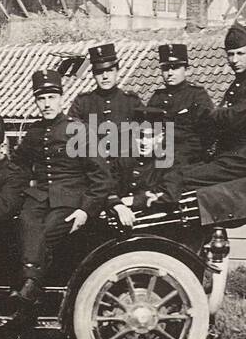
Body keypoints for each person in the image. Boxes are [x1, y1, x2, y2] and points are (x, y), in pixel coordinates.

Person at [11, 68, 112, 307]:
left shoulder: (76, 129)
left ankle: (30, 286)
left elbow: (102, 177)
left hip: (70, 199)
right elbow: (18, 164)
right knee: (25, 223)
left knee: (46, 232)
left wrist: (86, 210)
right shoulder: (34, 132)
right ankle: (29, 284)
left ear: (61, 98)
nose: (47, 104)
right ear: (36, 101)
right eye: (41, 98)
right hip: (39, 197)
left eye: (51, 97)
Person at [162, 22, 246, 196]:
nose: (234, 60)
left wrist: (199, 111)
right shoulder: (240, 82)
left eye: (240, 53)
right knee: (176, 171)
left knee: (181, 178)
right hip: (232, 156)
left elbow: (231, 118)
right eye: (230, 54)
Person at [69, 41, 144, 197]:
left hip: (126, 175)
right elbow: (73, 139)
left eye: (109, 70)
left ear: (117, 70)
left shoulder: (131, 102)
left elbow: (145, 140)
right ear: (93, 74)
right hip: (94, 175)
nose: (105, 76)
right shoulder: (82, 103)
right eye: (99, 72)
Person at [145, 42, 213, 172]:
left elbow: (207, 134)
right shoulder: (157, 97)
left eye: (175, 67)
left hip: (186, 160)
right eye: (165, 68)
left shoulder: (197, 95)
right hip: (158, 157)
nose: (169, 73)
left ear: (186, 70)